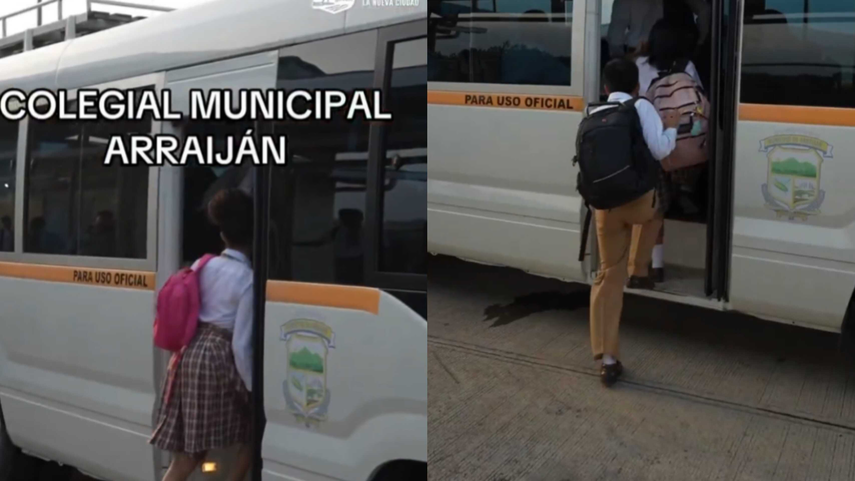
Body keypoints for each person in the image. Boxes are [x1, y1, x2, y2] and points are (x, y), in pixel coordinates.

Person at [149, 188, 254, 481]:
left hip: (187, 354)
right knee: (253, 430)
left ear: (222, 235)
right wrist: (254, 390)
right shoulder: (248, 279)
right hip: (217, 357)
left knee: (189, 453)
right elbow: (242, 346)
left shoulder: (201, 265)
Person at [587, 59, 679, 386]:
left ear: (605, 88)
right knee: (658, 208)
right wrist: (671, 125)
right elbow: (660, 150)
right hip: (639, 204)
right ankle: (640, 269)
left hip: (606, 207)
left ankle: (607, 359)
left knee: (607, 275)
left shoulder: (593, 112)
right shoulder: (643, 107)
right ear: (637, 86)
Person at [629, 19, 705, 285]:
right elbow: (699, 106)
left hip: (648, 148)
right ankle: (685, 190)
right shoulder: (687, 66)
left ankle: (653, 265)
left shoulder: (638, 65)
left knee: (653, 209)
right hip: (680, 147)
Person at [607, 0, 709, 60]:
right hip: (673, 56)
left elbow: (615, 36)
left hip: (637, 55)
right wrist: (699, 43)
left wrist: (621, 61)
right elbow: (704, 10)